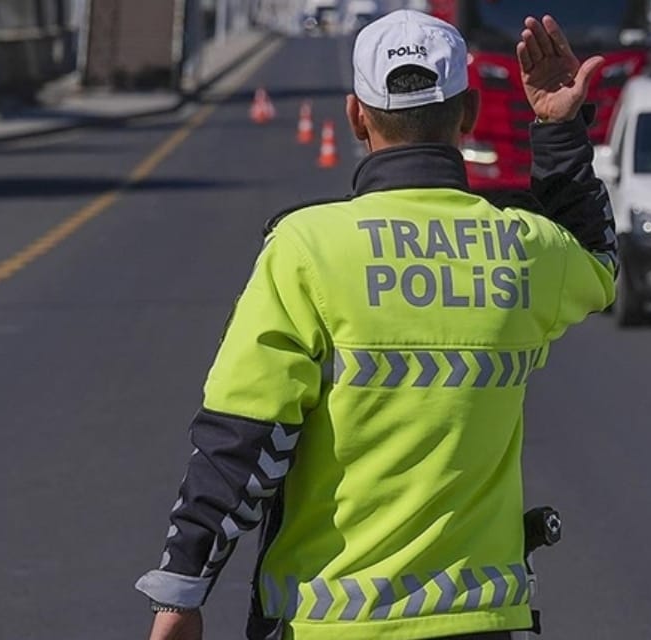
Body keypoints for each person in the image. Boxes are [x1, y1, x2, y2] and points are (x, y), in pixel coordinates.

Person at [134, 9, 616, 640]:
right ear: (466, 114)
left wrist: (182, 591)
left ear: (356, 116)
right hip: (485, 623)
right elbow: (599, 263)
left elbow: (243, 438)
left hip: (328, 624)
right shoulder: (521, 247)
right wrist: (556, 128)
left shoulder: (305, 248)